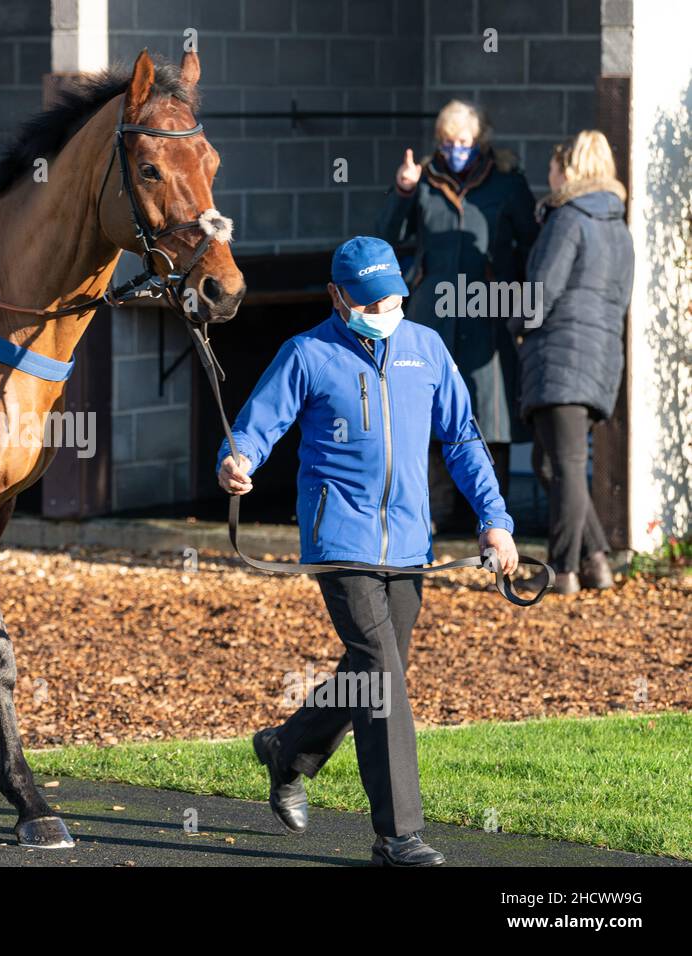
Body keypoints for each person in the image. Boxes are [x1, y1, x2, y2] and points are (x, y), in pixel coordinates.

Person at [217, 236, 519, 867]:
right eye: (371, 301)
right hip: (339, 542)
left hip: (411, 544)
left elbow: (462, 438)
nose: (385, 310)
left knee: (370, 675)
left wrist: (495, 519)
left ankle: (288, 748)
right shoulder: (308, 353)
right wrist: (237, 459)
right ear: (338, 297)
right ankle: (398, 836)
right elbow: (257, 423)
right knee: (382, 676)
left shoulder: (426, 349)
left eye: (394, 299)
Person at [377, 99, 538, 532]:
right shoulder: (425, 180)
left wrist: (523, 304)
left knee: (491, 410)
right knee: (430, 404)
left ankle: (491, 514)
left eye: (463, 141)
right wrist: (404, 191)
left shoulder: (507, 182)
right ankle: (436, 510)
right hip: (432, 310)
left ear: (479, 140)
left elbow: (531, 245)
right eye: (448, 142)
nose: (455, 150)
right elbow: (386, 237)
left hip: (489, 308)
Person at [512, 131, 634, 594]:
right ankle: (597, 559)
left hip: (561, 353)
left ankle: (561, 570)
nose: (548, 176)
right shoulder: (619, 226)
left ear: (570, 170)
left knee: (561, 464)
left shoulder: (568, 219)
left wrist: (517, 325)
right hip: (601, 356)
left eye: (552, 168)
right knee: (550, 462)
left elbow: (540, 292)